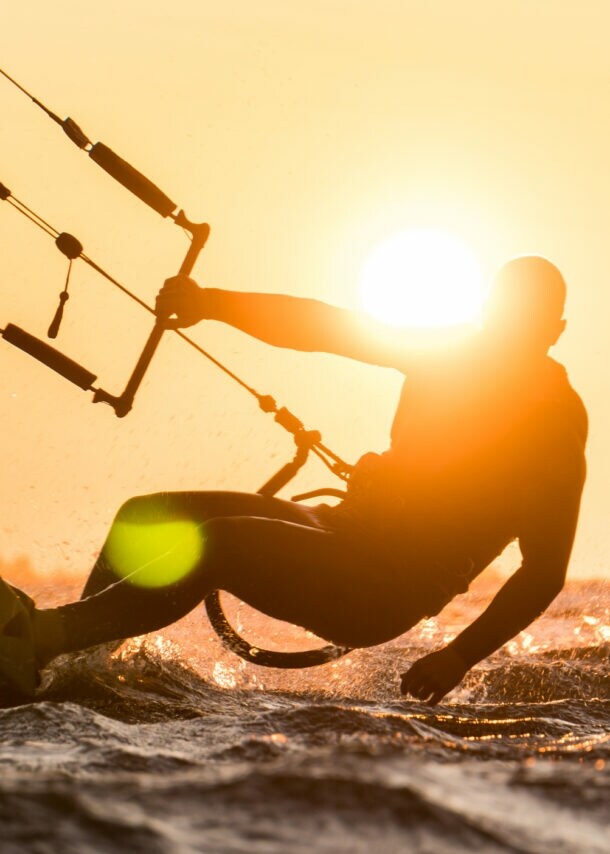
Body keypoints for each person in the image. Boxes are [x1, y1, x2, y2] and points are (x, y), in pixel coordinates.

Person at [0, 255, 587, 705]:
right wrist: (213, 302)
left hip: (385, 587)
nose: (504, 330)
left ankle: (44, 635)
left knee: (219, 541)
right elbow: (327, 327)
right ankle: (72, 667)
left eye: (524, 320)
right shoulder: (450, 352)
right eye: (499, 313)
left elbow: (545, 571)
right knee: (148, 515)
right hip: (344, 529)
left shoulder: (554, 420)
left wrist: (458, 656)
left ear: (552, 330)